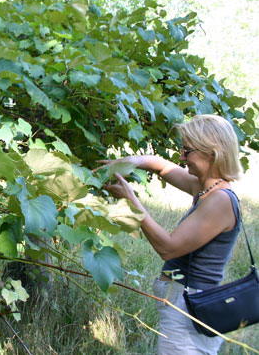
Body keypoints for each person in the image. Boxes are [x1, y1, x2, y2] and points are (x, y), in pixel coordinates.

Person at [100, 114, 242, 354]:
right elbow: (162, 166)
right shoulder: (206, 186)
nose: (181, 157)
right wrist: (126, 162)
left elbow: (168, 248)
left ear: (212, 152)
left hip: (189, 308)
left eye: (188, 151)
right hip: (184, 304)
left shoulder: (220, 200)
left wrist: (131, 201)